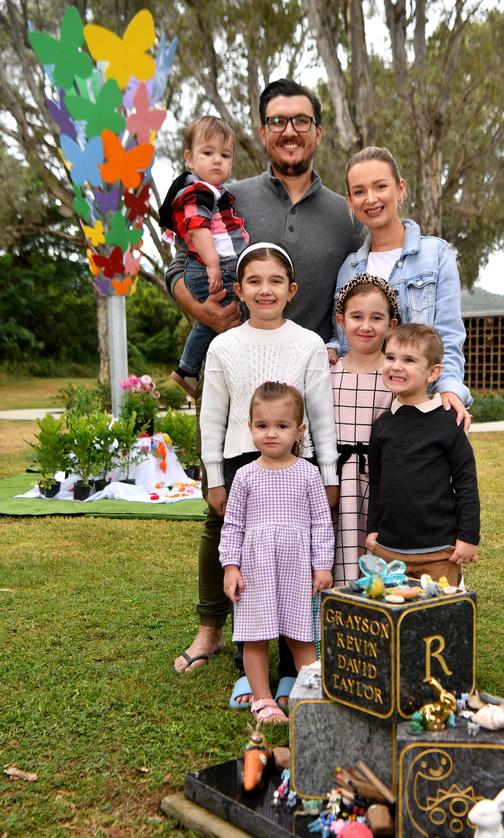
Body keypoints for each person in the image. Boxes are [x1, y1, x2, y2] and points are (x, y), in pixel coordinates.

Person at [168, 79, 361, 683]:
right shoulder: (231, 196)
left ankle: (298, 627)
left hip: (302, 384)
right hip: (235, 366)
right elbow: (182, 264)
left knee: (297, 515)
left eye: (301, 120)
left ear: (317, 131)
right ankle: (210, 628)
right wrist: (204, 316)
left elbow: (357, 292)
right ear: (262, 130)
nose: (289, 130)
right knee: (223, 510)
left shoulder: (344, 214)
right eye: (277, 120)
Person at [200, 242, 338, 703]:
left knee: (291, 572)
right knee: (253, 575)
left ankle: (287, 672)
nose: (265, 290)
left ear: (291, 289)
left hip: (298, 464)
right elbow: (212, 416)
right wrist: (215, 475)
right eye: (254, 281)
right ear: (239, 289)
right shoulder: (223, 345)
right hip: (244, 464)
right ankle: (247, 667)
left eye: (275, 281)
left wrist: (329, 473)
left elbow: (320, 415)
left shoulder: (309, 343)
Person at [327, 146, 472, 432]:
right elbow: (341, 337)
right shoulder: (348, 267)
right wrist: (327, 351)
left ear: (400, 188)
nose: (371, 199)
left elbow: (449, 337)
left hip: (420, 411)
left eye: (380, 186)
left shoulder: (436, 255)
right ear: (349, 200)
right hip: (361, 412)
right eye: (359, 191)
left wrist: (450, 389)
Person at [220, 382, 334, 725]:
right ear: (250, 428)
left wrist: (322, 566)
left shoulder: (308, 474)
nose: (271, 434)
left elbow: (320, 524)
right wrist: (230, 566)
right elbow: (233, 526)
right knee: (255, 636)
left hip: (297, 569)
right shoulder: (244, 477)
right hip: (255, 570)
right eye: (262, 426)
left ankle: (313, 694)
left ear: (299, 431)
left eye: (282, 426)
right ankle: (263, 700)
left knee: (301, 636)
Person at [366, 323, 480, 586]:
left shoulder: (447, 422)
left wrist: (468, 537)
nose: (396, 366)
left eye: (408, 360)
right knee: (392, 619)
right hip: (388, 551)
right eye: (390, 357)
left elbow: (465, 483)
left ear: (433, 373)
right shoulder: (383, 425)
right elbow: (377, 483)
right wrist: (373, 529)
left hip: (438, 552)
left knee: (437, 620)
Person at [159, 115, 249, 398]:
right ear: (190, 158)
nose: (217, 161)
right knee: (232, 313)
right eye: (208, 153)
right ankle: (188, 369)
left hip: (218, 268)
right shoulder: (198, 190)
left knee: (220, 318)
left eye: (225, 155)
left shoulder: (214, 191)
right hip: (212, 269)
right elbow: (197, 229)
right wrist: (212, 265)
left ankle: (187, 369)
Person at [330, 274, 398, 585]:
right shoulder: (328, 373)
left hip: (378, 480)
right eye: (357, 317)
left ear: (391, 325)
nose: (366, 326)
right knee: (336, 550)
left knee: (374, 550)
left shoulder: (396, 377)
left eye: (376, 318)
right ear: (341, 321)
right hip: (336, 481)